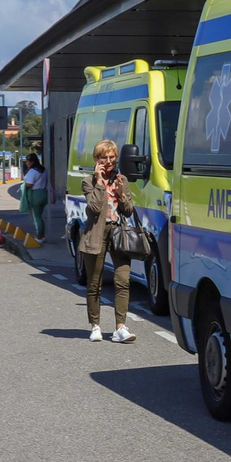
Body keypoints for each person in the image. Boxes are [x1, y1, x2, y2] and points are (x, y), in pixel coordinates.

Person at [79, 139, 136, 343]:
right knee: (95, 284)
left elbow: (128, 211)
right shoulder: (88, 182)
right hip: (96, 234)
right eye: (104, 157)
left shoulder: (122, 180)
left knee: (123, 281)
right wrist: (100, 182)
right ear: (97, 159)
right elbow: (94, 208)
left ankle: (120, 327)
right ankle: (95, 325)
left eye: (112, 157)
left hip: (118, 234)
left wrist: (121, 193)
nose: (109, 161)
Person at [21, 153, 49, 241]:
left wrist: (23, 185)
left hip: (35, 195)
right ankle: (42, 235)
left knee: (36, 217)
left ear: (32, 162)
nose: (26, 163)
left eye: (27, 161)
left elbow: (29, 184)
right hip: (43, 194)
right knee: (39, 216)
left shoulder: (32, 171)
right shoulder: (43, 169)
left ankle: (39, 236)